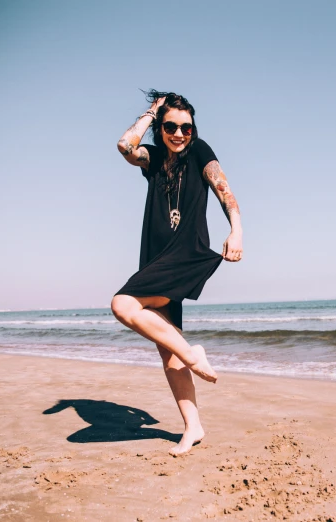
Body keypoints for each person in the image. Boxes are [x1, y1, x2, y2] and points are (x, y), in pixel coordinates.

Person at [110, 91, 243, 456]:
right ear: (161, 127)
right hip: (156, 258)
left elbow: (223, 190)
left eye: (186, 126)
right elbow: (125, 145)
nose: (180, 133)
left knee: (122, 304)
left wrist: (237, 230)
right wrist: (152, 112)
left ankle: (193, 353)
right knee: (168, 351)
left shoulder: (200, 151)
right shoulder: (152, 160)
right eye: (171, 126)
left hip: (184, 254)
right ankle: (193, 427)